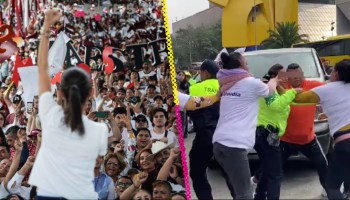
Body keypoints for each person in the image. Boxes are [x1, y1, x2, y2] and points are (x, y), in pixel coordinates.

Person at [28, 9, 109, 199]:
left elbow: (43, 69)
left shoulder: (49, 115)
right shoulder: (99, 131)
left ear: (61, 92)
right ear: (90, 93)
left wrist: (47, 27)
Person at [212, 52, 277, 199]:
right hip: (234, 146)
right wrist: (275, 79)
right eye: (246, 63)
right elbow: (269, 91)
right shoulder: (250, 83)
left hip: (219, 144)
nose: (248, 65)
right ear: (241, 66)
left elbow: (253, 87)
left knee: (239, 190)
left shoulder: (226, 83)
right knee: (245, 195)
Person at [293, 59, 350, 200]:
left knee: (332, 186)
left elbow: (298, 99)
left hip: (345, 144)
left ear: (336, 73)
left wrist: (277, 86)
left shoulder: (326, 89)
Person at [253, 64, 303, 200]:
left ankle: (259, 196)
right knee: (276, 175)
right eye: (282, 75)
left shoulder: (273, 88)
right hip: (266, 135)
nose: (286, 78)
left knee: (268, 171)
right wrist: (293, 92)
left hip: (266, 135)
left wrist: (288, 93)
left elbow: (281, 102)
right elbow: (276, 105)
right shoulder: (268, 88)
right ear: (274, 76)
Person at [280, 63, 328, 194]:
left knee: (322, 165)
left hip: (308, 139)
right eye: (293, 76)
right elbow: (266, 82)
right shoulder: (282, 87)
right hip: (285, 139)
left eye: (299, 75)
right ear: (287, 77)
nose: (297, 78)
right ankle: (255, 181)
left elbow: (332, 89)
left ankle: (328, 188)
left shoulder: (312, 85)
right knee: (271, 166)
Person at [186, 60, 220, 200]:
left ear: (205, 72)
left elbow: (189, 109)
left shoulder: (195, 89)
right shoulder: (225, 86)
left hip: (204, 137)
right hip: (225, 136)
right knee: (231, 175)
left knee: (197, 173)